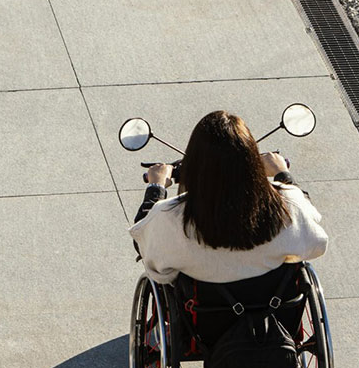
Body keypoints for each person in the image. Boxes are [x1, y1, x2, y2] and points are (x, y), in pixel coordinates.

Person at [129, 110, 328, 285]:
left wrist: (156, 187)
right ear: (252, 164)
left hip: (202, 314)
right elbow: (315, 241)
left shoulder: (170, 216)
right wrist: (282, 174)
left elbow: (143, 243)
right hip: (272, 310)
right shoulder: (286, 204)